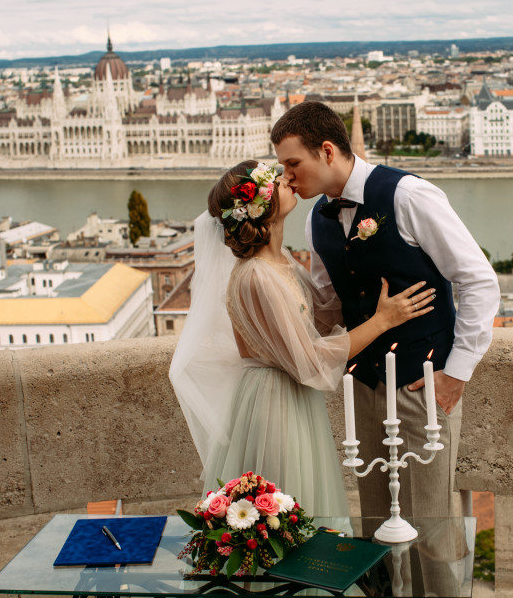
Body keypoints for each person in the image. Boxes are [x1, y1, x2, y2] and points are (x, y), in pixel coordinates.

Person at [271, 101, 501, 519]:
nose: (286, 176)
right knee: (375, 521)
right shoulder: (316, 220)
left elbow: (478, 280)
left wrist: (456, 373)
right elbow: (329, 304)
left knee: (429, 524)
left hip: (422, 384)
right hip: (362, 387)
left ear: (327, 151)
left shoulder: (410, 195)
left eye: (292, 163)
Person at [169, 160, 436, 517]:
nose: (287, 179)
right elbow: (310, 359)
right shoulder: (256, 275)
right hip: (274, 403)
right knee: (283, 506)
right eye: (276, 180)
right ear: (260, 208)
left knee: (299, 505)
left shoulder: (280, 261)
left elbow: (321, 316)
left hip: (293, 397)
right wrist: (383, 320)